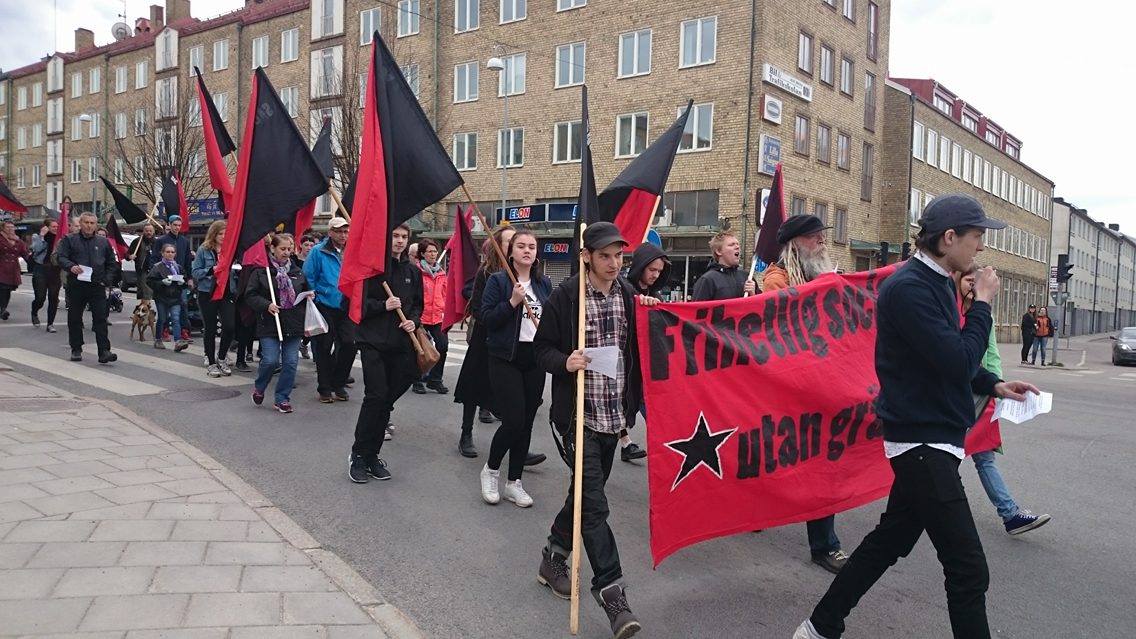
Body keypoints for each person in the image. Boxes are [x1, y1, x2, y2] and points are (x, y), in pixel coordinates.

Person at [796, 193, 1041, 639]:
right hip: (921, 443)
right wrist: (983, 303)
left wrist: (995, 385)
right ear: (948, 238)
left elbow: (946, 357)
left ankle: (819, 627)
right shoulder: (910, 287)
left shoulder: (937, 282)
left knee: (886, 543)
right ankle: (819, 627)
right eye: (976, 237)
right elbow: (956, 361)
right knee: (968, 569)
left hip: (934, 439)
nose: (981, 248)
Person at [534, 222, 657, 639]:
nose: (613, 263)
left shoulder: (627, 296)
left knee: (584, 496)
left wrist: (654, 314)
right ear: (586, 256)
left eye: (618, 256)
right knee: (595, 506)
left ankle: (553, 554)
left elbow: (638, 350)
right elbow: (542, 350)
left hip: (612, 417)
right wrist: (563, 362)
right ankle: (612, 593)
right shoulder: (566, 296)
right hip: (578, 419)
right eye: (604, 255)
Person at [758, 214, 850, 575]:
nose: (822, 243)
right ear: (795, 243)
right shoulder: (776, 279)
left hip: (821, 387)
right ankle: (753, 507)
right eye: (814, 238)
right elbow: (779, 321)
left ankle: (825, 545)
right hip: (786, 389)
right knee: (776, 459)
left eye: (821, 237)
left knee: (822, 463)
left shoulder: (823, 275)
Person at [955, 265, 1052, 536]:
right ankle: (933, 509)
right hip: (953, 398)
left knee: (982, 457)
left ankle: (1010, 514)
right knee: (943, 460)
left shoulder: (983, 314)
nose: (973, 287)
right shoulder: (951, 312)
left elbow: (993, 353)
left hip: (981, 393)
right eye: (968, 281)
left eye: (976, 282)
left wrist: (996, 387)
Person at [478, 230, 551, 507]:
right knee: (514, 420)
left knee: (527, 422)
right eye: (521, 246)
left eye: (532, 246)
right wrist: (512, 303)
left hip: (534, 358)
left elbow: (550, 321)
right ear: (510, 252)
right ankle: (491, 470)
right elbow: (486, 318)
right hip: (504, 358)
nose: (527, 251)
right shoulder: (498, 281)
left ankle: (514, 482)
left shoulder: (543, 285)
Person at [348, 223, 422, 483]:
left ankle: (372, 455)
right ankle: (358, 455)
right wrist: (384, 305)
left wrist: (413, 320)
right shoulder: (372, 271)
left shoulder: (413, 272)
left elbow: (417, 306)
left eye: (404, 237)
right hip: (373, 342)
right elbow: (357, 306)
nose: (400, 241)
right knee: (376, 397)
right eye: (395, 236)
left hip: (400, 345)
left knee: (386, 402)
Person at [454, 224, 515, 457]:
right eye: (510, 241)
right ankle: (466, 434)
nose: (513, 245)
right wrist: (504, 309)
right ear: (499, 246)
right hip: (485, 339)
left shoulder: (521, 273)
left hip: (509, 341)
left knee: (510, 394)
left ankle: (517, 442)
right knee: (474, 387)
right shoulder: (486, 273)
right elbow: (479, 309)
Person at [619, 242, 674, 463]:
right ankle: (626, 442)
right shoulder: (621, 288)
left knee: (649, 404)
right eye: (651, 269)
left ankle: (657, 444)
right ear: (640, 266)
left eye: (659, 271)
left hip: (646, 361)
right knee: (624, 404)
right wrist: (639, 305)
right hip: (625, 359)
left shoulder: (655, 294)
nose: (655, 274)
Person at [245, 233, 309, 414]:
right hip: (270, 323)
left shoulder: (297, 271)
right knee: (271, 360)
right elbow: (250, 295)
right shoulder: (261, 271)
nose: (286, 253)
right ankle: (260, 387)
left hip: (293, 323)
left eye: (289, 249)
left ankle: (282, 398)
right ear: (272, 249)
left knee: (290, 363)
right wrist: (267, 305)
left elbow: (304, 291)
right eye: (282, 249)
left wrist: (309, 296)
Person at [53, 212, 119, 363]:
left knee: (100, 319)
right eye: (86, 222)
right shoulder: (70, 240)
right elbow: (61, 257)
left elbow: (111, 263)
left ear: (96, 225)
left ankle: (104, 351)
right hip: (77, 284)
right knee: (75, 318)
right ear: (80, 224)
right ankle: (76, 349)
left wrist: (107, 279)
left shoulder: (103, 242)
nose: (89, 226)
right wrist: (71, 266)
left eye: (92, 223)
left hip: (97, 285)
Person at [303, 218, 357, 403]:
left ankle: (338, 382)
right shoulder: (318, 251)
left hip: (347, 304)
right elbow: (309, 275)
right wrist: (316, 296)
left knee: (350, 344)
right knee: (324, 347)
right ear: (330, 232)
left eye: (345, 231)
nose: (343, 235)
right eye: (339, 231)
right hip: (325, 304)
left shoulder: (352, 250)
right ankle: (325, 388)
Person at [191, 220, 235, 377]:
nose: (223, 237)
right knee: (210, 327)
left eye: (225, 234)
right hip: (207, 292)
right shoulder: (204, 250)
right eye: (220, 234)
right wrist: (212, 270)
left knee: (229, 326)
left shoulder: (230, 250)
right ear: (214, 234)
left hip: (226, 291)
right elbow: (195, 272)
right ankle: (210, 361)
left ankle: (222, 357)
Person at [412, 238, 450, 395]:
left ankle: (435, 380)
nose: (433, 254)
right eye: (430, 251)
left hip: (437, 317)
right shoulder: (416, 271)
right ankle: (417, 379)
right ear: (422, 254)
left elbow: (445, 294)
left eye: (435, 251)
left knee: (442, 346)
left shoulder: (441, 273)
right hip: (421, 316)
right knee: (420, 350)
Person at [151, 217, 192, 340]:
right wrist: (159, 275)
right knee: (164, 309)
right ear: (169, 225)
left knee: (183, 304)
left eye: (179, 225)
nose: (177, 227)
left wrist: (189, 278)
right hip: (164, 279)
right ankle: (164, 330)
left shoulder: (184, 241)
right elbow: (153, 259)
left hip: (179, 277)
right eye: (175, 225)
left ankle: (183, 331)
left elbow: (188, 261)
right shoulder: (161, 240)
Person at [148, 243, 190, 352]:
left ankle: (178, 341)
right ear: (162, 253)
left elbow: (185, 280)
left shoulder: (178, 267)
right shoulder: (157, 267)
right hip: (162, 297)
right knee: (162, 319)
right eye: (167, 252)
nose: (170, 254)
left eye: (172, 252)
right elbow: (149, 281)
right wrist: (161, 282)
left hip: (175, 298)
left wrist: (183, 283)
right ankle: (158, 339)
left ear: (175, 254)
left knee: (176, 318)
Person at [691, 230, 756, 301]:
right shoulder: (708, 280)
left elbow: (761, 308)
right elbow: (697, 310)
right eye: (731, 245)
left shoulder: (747, 277)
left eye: (738, 244)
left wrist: (753, 294)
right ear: (718, 251)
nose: (737, 247)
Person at [30, 221, 62, 331]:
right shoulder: (37, 236)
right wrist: (42, 237)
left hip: (55, 270)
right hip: (41, 269)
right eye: (53, 226)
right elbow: (36, 250)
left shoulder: (61, 238)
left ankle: (50, 324)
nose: (55, 228)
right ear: (46, 227)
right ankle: (34, 312)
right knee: (40, 298)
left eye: (57, 226)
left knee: (53, 298)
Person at [0, 221, 28, 320]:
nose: (11, 229)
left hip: (13, 268)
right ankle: (3, 309)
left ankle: (3, 308)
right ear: (3, 228)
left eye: (12, 227)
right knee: (3, 288)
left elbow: (24, 253)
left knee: (7, 290)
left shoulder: (18, 241)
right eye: (8, 227)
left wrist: (32, 263)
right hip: (1, 267)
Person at [129, 222, 158, 300]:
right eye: (146, 230)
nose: (148, 232)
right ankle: (145, 310)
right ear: (143, 231)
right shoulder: (137, 241)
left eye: (150, 231)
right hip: (143, 270)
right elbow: (128, 253)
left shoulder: (157, 242)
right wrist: (130, 256)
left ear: (153, 231)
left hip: (154, 270)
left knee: (154, 293)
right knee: (146, 293)